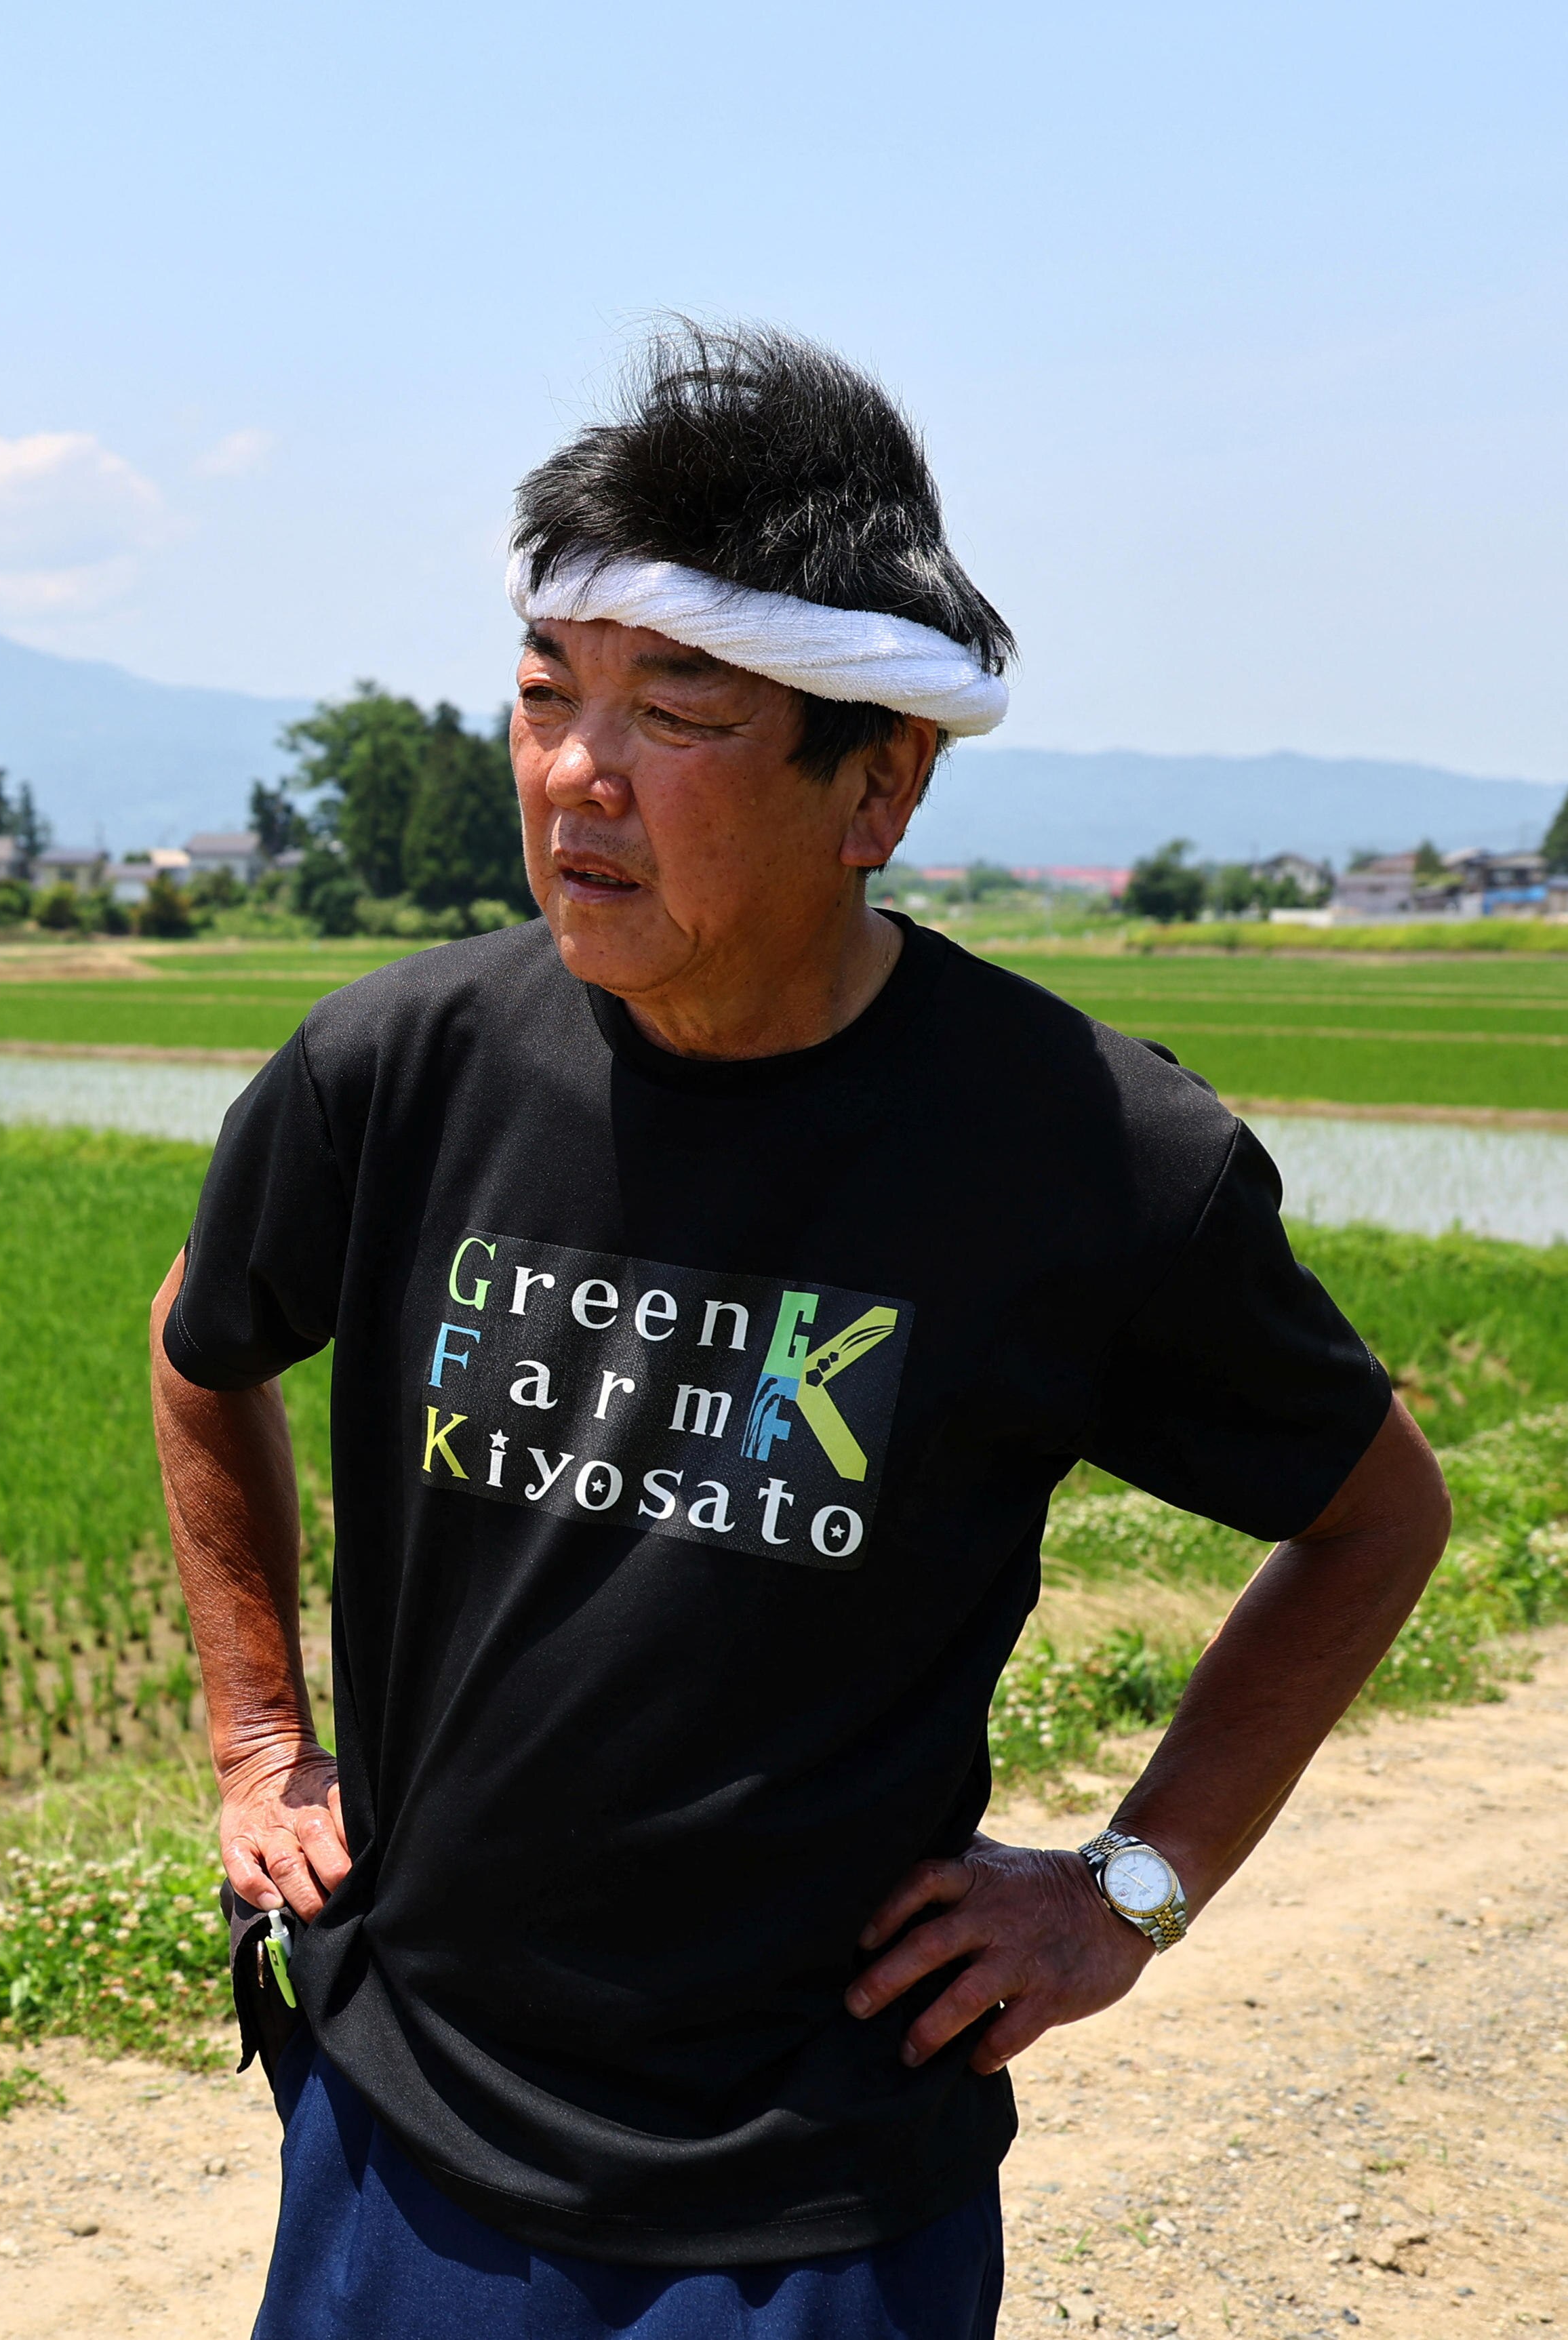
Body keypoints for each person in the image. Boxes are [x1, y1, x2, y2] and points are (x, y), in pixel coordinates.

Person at [150, 325, 1451, 2339]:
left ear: (882, 784)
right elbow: (201, 1339)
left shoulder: (1092, 1156)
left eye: (675, 712)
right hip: (410, 2131)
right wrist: (255, 1737)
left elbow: (1373, 1519)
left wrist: (1130, 1888)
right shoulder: (402, 1068)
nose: (578, 774)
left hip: (816, 2194)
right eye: (542, 696)